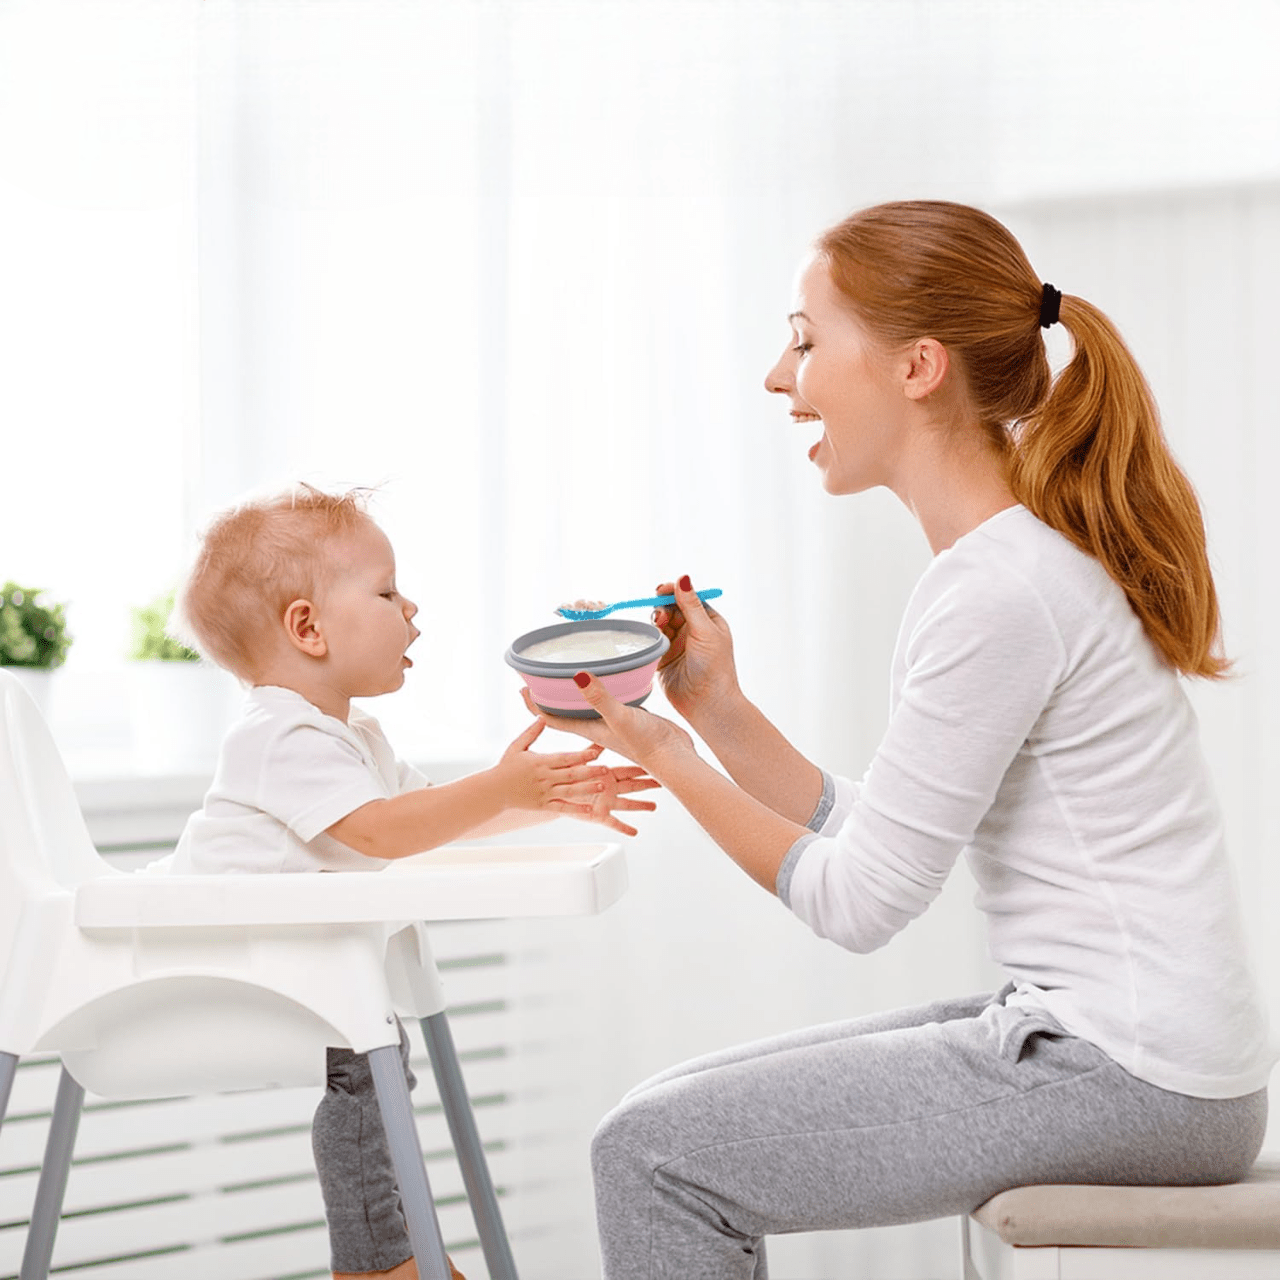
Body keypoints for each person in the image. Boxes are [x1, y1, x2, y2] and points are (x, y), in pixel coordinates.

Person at [530, 200, 1275, 1279]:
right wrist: (712, 707)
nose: (779, 377)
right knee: (654, 1117)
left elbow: (857, 901)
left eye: (802, 338)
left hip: (1131, 1072)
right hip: (1142, 1055)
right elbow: (878, 835)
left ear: (916, 366)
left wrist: (663, 757)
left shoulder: (998, 589)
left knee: (651, 1155)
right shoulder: (1009, 567)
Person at [166, 483, 659, 1280]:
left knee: (380, 1056)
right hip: (204, 961)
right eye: (388, 591)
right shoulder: (277, 734)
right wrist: (504, 788)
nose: (413, 608)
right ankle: (380, 1264)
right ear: (308, 628)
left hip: (293, 966)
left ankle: (393, 1252)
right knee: (366, 1063)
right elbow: (380, 832)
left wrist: (543, 798)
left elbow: (428, 820)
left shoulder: (351, 734)